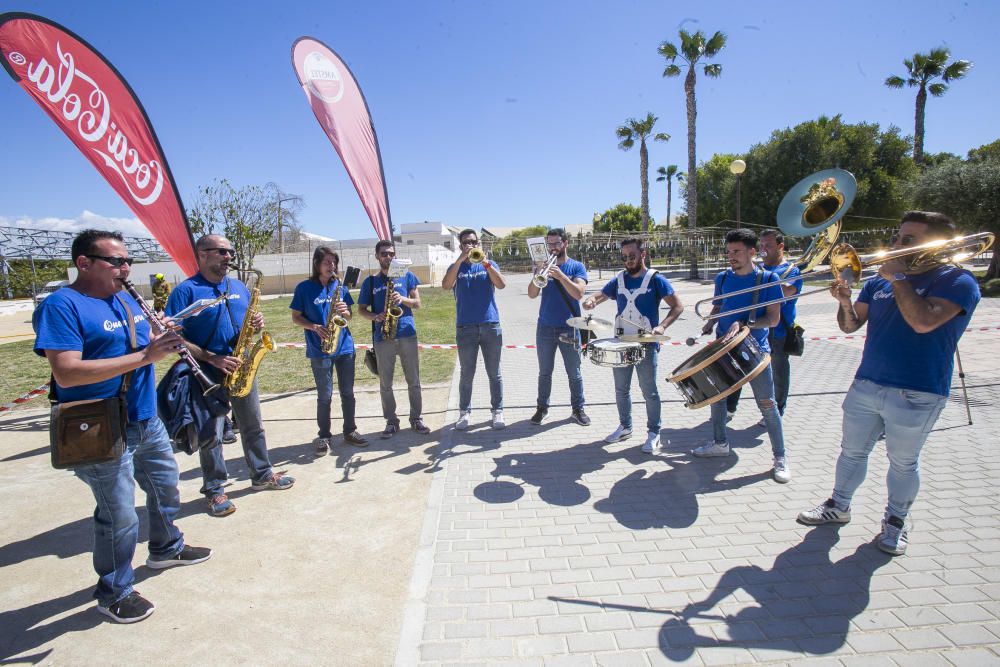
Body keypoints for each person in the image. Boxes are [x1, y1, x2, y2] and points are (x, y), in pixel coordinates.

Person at [33, 229, 211, 623]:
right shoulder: (63, 306)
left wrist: (157, 337)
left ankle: (166, 547)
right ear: (84, 263)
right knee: (119, 515)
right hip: (100, 426)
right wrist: (146, 355)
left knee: (165, 487)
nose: (126, 267)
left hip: (145, 418)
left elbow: (135, 345)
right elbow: (67, 372)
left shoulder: (125, 300)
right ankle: (114, 590)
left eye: (127, 260)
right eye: (116, 261)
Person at [798, 211, 980, 556]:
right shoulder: (878, 283)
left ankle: (896, 521)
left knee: (903, 462)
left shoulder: (956, 281)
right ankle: (839, 505)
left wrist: (898, 279)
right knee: (851, 451)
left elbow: (923, 322)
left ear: (936, 243)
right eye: (897, 237)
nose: (896, 245)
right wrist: (845, 302)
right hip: (867, 382)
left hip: (919, 390)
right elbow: (850, 327)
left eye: (908, 240)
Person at [165, 235, 294, 518]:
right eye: (221, 251)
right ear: (202, 254)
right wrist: (212, 357)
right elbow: (172, 337)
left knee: (253, 426)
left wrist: (257, 323)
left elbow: (248, 321)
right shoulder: (185, 291)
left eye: (230, 251)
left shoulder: (237, 286)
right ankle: (214, 490)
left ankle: (261, 474)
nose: (228, 257)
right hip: (207, 373)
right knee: (211, 435)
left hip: (242, 365)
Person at [692, 228, 790, 484]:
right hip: (724, 349)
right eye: (728, 252)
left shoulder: (767, 279)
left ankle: (780, 458)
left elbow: (773, 318)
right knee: (717, 400)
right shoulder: (723, 278)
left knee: (768, 406)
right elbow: (720, 304)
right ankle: (719, 442)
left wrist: (746, 323)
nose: (731, 256)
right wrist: (710, 323)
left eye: (736, 252)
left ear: (752, 252)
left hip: (755, 353)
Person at [582, 238, 683, 453]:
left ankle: (654, 432)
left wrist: (662, 327)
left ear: (643, 254)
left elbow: (678, 307)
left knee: (649, 391)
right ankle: (625, 427)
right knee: (621, 389)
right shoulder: (619, 279)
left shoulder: (656, 279)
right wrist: (592, 301)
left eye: (632, 256)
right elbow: (601, 295)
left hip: (645, 344)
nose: (628, 260)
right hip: (621, 343)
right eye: (624, 257)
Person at [290, 246, 368, 454]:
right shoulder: (304, 288)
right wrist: (314, 327)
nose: (331, 266)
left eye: (334, 262)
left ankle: (350, 431)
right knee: (325, 395)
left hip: (344, 347)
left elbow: (349, 317)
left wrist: (345, 311)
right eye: (327, 262)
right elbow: (295, 317)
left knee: (347, 392)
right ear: (317, 264)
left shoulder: (340, 287)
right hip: (319, 349)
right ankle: (324, 436)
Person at [727, 229, 804, 424]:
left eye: (768, 246)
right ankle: (729, 409)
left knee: (776, 372)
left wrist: (767, 285)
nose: (763, 250)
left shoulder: (790, 271)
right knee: (738, 368)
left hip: (777, 331)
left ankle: (776, 409)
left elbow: (787, 292)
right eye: (761, 246)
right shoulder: (759, 272)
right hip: (752, 329)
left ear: (780, 247)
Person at [357, 240, 431, 438]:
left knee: (413, 380)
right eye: (384, 254)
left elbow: (417, 303)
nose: (388, 257)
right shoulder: (370, 282)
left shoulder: (407, 275)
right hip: (383, 336)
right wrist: (375, 316)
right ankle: (391, 421)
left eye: (391, 254)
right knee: (385, 384)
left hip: (407, 333)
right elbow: (361, 310)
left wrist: (402, 299)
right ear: (377, 256)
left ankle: (416, 418)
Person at [442, 229, 507, 430]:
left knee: (494, 372)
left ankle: (497, 411)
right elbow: (446, 285)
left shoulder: (488, 264)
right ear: (460, 245)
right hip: (465, 327)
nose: (470, 245)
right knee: (467, 373)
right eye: (466, 242)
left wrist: (486, 263)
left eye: (473, 242)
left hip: (490, 325)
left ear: (478, 244)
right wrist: (461, 260)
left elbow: (502, 284)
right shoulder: (456, 267)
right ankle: (464, 412)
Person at [527, 228, 590, 426]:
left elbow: (579, 293)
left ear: (565, 244)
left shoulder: (576, 267)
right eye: (549, 244)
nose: (552, 248)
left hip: (569, 327)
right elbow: (531, 294)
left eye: (556, 244)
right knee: (544, 371)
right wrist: (537, 273)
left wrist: (562, 277)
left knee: (574, 372)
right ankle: (542, 408)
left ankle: (578, 409)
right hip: (545, 327)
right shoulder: (543, 266)